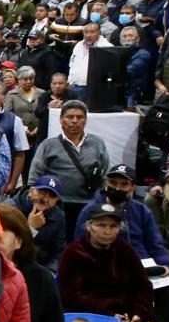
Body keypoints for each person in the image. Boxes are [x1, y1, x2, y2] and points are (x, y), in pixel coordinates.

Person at [27, 100, 110, 240]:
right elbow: (34, 178)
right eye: (70, 117)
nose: (74, 121)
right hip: (57, 206)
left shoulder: (97, 143)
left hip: (89, 205)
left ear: (85, 120)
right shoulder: (48, 145)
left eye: (79, 117)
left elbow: (106, 174)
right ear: (61, 120)